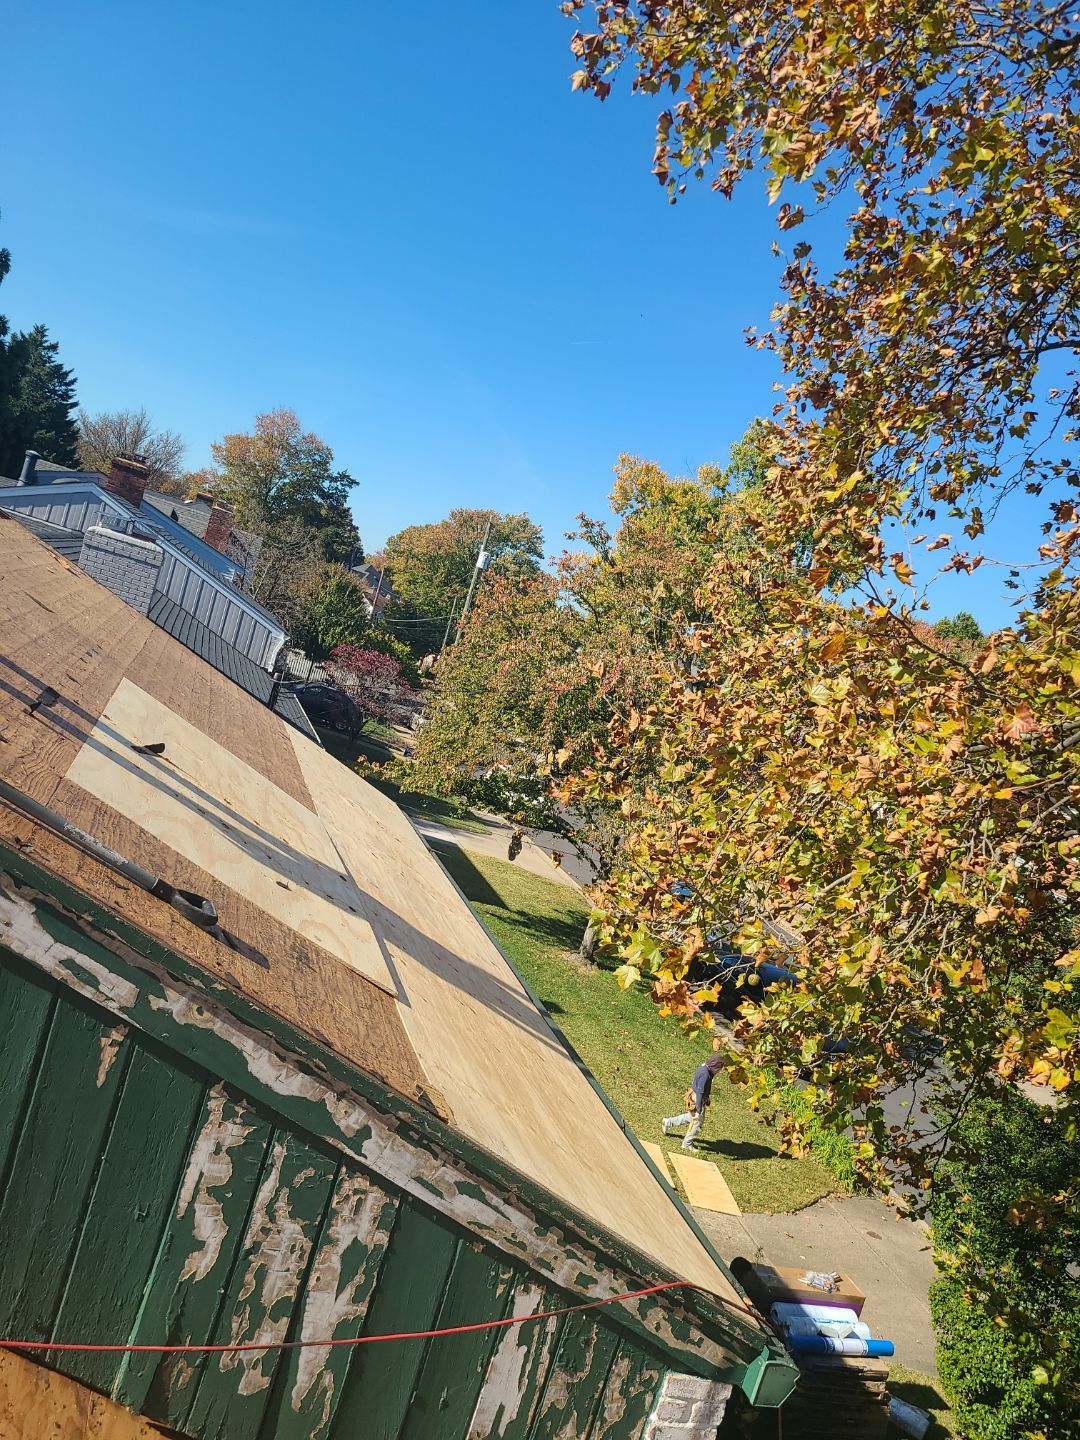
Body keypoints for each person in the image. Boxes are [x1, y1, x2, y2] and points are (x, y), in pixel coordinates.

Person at [662, 1036, 725, 1152]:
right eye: (719, 1067)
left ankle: (668, 1122)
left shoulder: (703, 1067)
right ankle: (687, 1143)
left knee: (690, 1117)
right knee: (696, 1121)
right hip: (697, 1098)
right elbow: (700, 1092)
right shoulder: (706, 1074)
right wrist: (699, 1110)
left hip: (696, 1095)